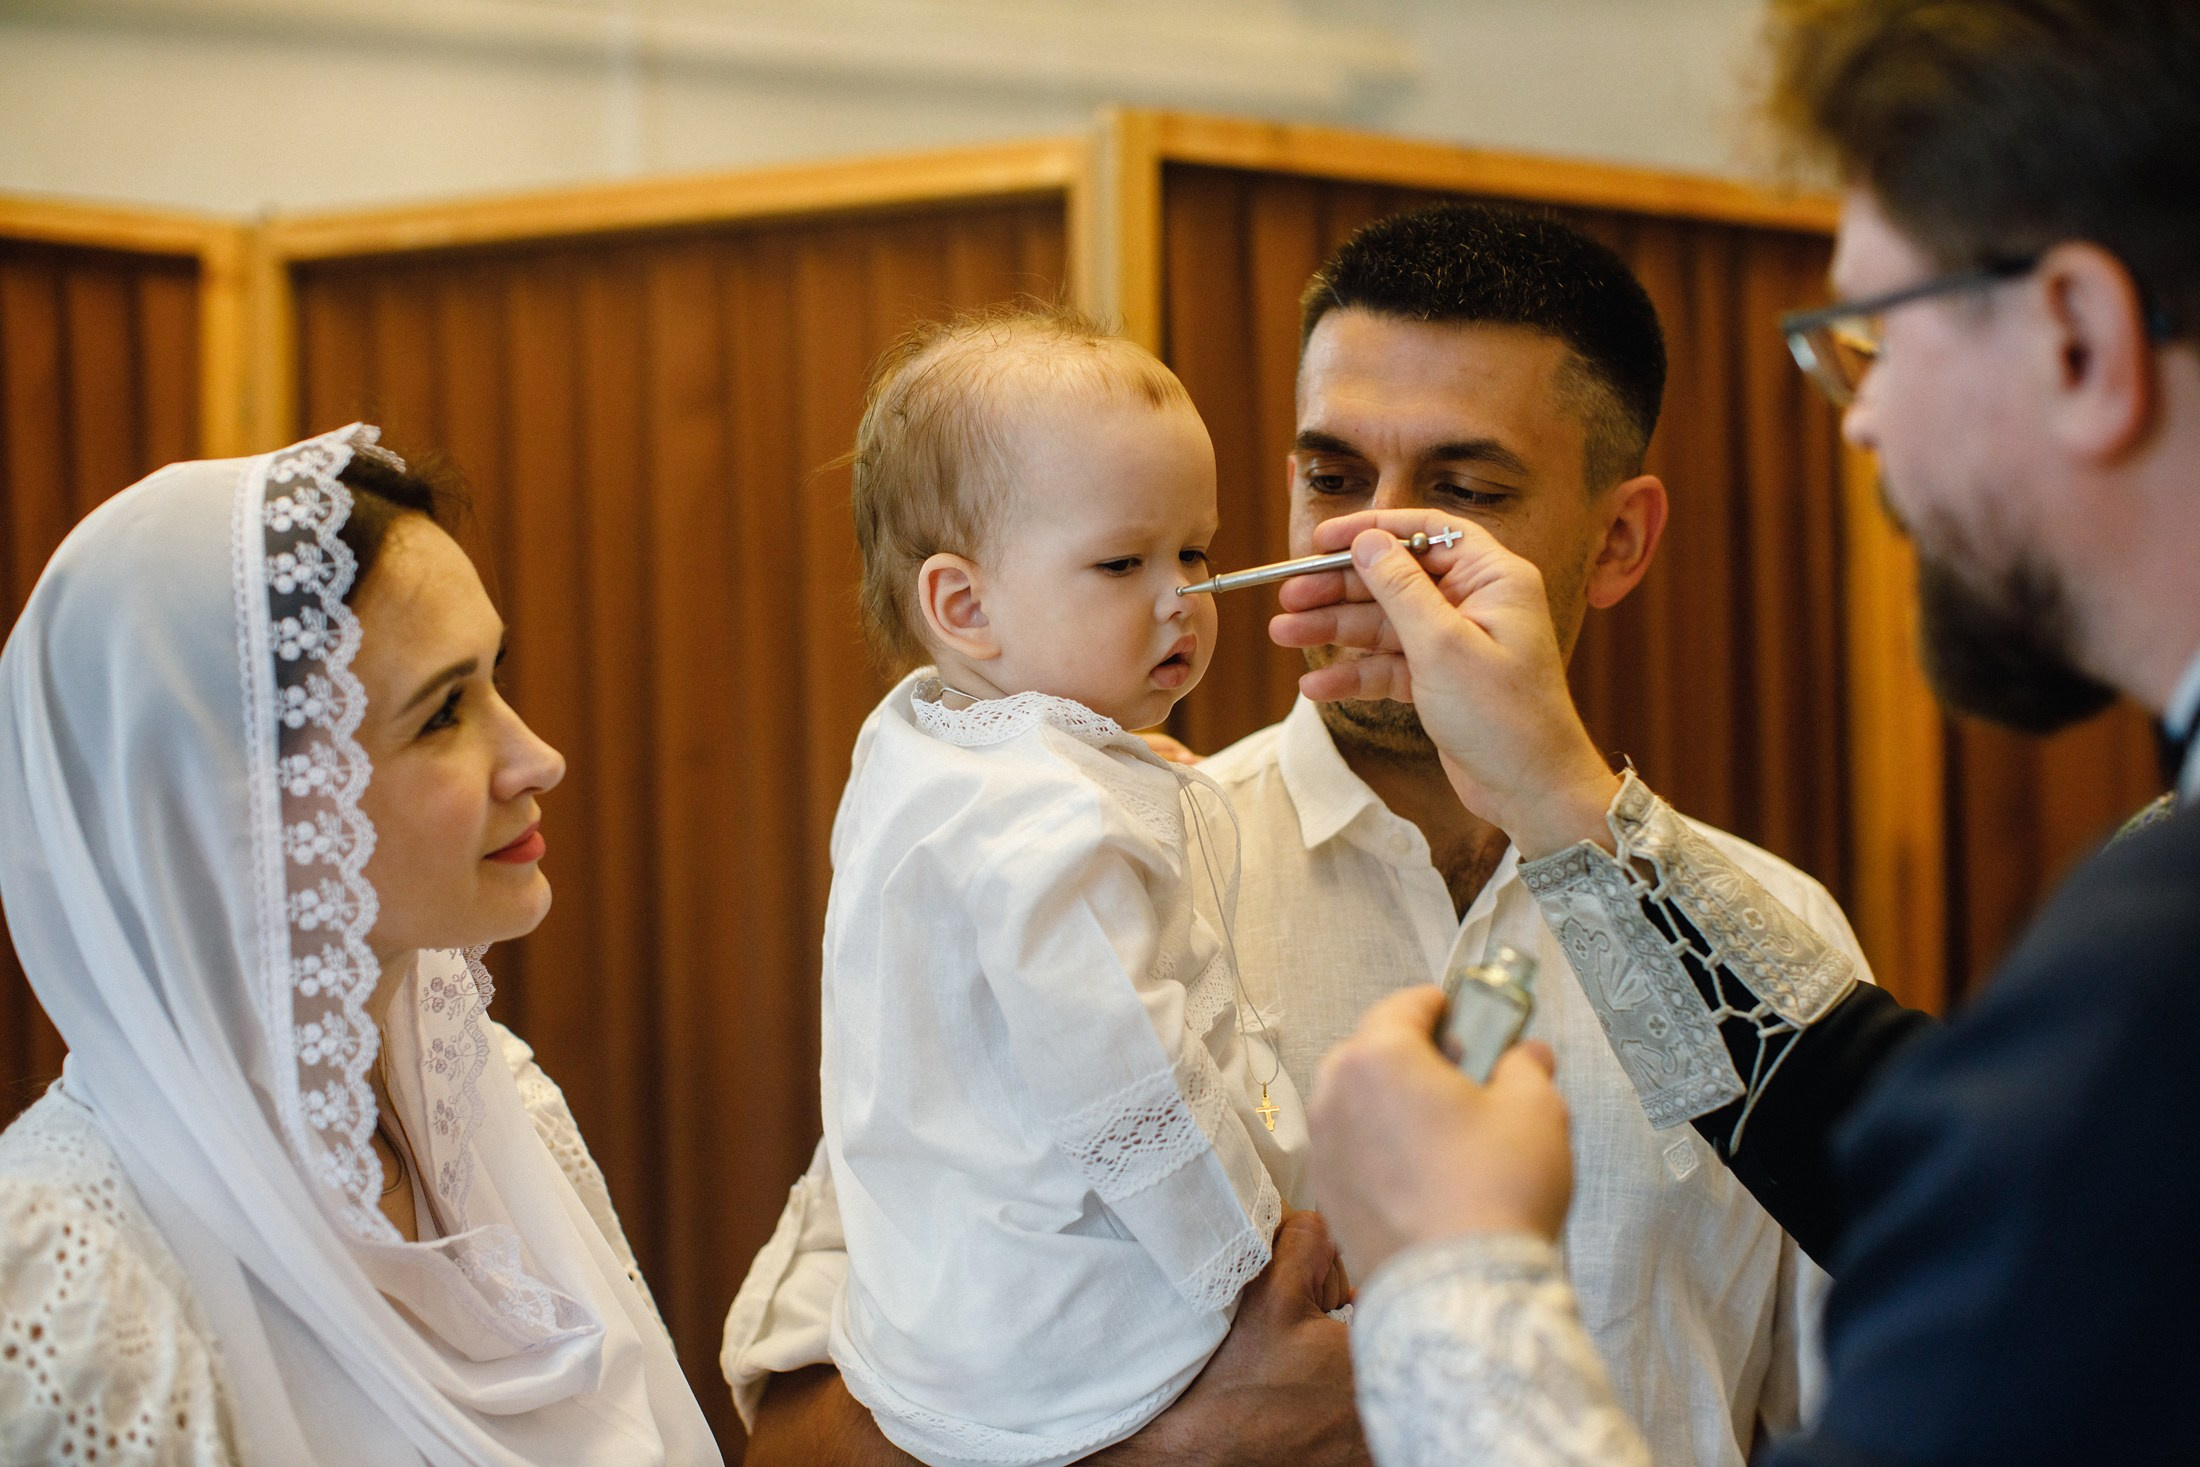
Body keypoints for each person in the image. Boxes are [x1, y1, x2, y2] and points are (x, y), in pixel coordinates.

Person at [725, 205, 1873, 1467]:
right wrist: (1175, 1454)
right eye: (1330, 478)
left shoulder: (1772, 948)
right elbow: (793, 1437)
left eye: (1463, 493)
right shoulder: (1075, 869)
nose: (1366, 547)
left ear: (1617, 540)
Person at [1293, 3, 2200, 1464]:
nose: (1860, 424)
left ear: (2080, 339)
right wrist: (1563, 800)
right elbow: (1901, 1154)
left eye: (1873, 342)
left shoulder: (2162, 949)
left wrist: (1451, 1279)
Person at [0, 426, 721, 1464]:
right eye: (443, 713)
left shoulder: (497, 1105)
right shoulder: (68, 1282)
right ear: (229, 811)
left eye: (496, 679)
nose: (538, 758)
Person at [812, 305, 1310, 1464]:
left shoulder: (921, 745)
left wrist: (1117, 768)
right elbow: (1121, 1073)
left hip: (939, 1299)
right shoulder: (1048, 820)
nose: (1182, 597)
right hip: (1085, 1326)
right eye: (1122, 563)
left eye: (1197, 552)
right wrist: (1249, 1254)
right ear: (964, 606)